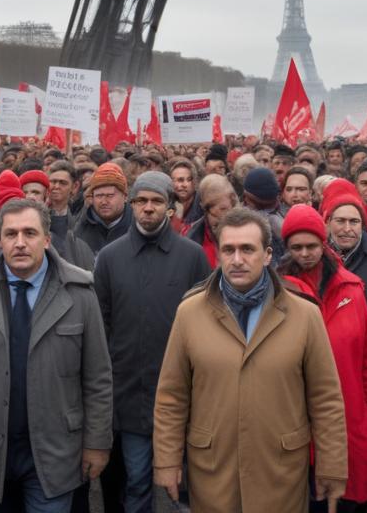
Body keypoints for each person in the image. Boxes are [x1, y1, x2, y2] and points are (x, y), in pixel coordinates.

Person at [152, 208, 348, 512]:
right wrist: (166, 461)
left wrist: (332, 466)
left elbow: (325, 399)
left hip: (280, 472)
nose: (237, 259)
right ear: (217, 254)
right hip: (213, 472)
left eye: (247, 249)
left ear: (268, 254)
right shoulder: (190, 313)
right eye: (228, 250)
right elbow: (172, 396)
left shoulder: (304, 314)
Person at [0, 199, 112, 513]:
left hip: (54, 454)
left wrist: (97, 443)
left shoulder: (80, 294)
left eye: (30, 233)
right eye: (11, 234)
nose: (21, 243)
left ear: (47, 239)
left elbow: (97, 379)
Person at [93, 172, 210, 513]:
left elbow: (206, 325)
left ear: (171, 208)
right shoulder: (111, 258)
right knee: (137, 482)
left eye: (156, 201)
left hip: (186, 395)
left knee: (185, 488)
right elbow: (102, 324)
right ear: (131, 206)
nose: (148, 208)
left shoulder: (192, 257)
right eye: (141, 201)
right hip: (130, 396)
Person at [280, 205, 367, 511]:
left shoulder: (351, 288)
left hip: (350, 418)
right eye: (297, 247)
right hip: (294, 426)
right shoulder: (276, 294)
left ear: (324, 244)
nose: (305, 254)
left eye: (312, 246)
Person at [74, 162, 133, 253]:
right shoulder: (80, 228)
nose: (104, 202)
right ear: (91, 197)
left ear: (125, 197)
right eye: (99, 196)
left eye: (110, 195)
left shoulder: (138, 227)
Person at [187, 174, 236, 268]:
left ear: (232, 203)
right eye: (210, 210)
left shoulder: (247, 230)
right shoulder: (193, 238)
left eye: (223, 209)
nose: (219, 218)